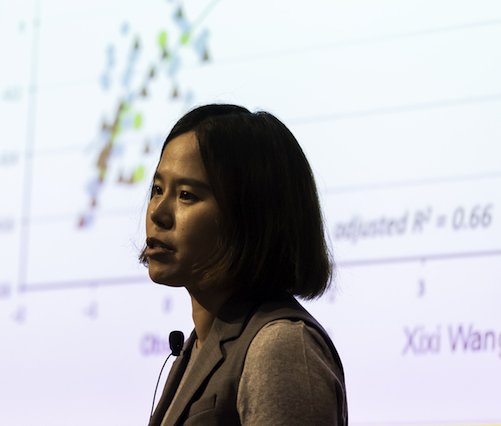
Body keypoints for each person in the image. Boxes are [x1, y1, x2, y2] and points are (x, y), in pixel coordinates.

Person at [142, 104, 347, 426]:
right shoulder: (196, 347)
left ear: (251, 217)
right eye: (157, 190)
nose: (157, 213)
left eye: (185, 194)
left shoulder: (280, 346)